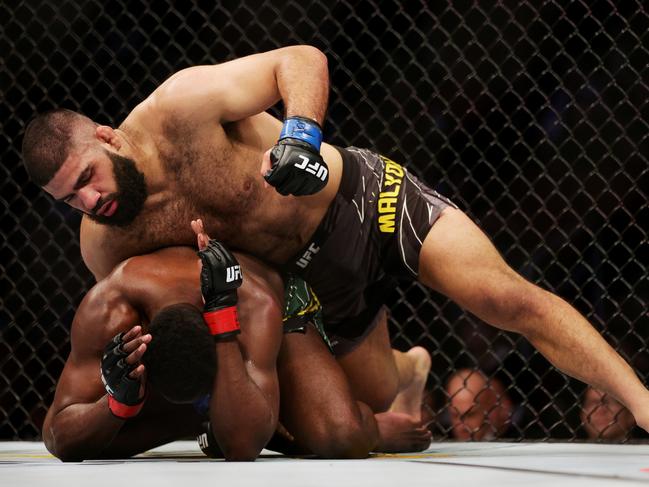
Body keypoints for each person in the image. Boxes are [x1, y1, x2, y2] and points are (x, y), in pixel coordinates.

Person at [22, 45, 649, 433]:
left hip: (365, 204)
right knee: (376, 397)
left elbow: (300, 58)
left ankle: (642, 403)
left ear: (106, 137)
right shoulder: (104, 245)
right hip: (309, 282)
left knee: (506, 300)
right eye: (68, 200)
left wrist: (300, 134)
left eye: (85, 179)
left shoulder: (180, 106)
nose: (87, 201)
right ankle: (411, 366)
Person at [42, 223, 430, 461]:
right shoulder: (111, 307)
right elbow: (57, 435)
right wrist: (116, 404)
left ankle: (404, 376)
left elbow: (243, 447)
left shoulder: (252, 304)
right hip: (199, 370)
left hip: (276, 312)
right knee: (97, 440)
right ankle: (221, 419)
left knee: (341, 436)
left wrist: (224, 322)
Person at [445, 369, 513, 441]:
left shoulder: (515, 443)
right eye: (455, 415)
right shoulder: (442, 439)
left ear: (490, 409)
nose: (462, 426)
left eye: (471, 415)